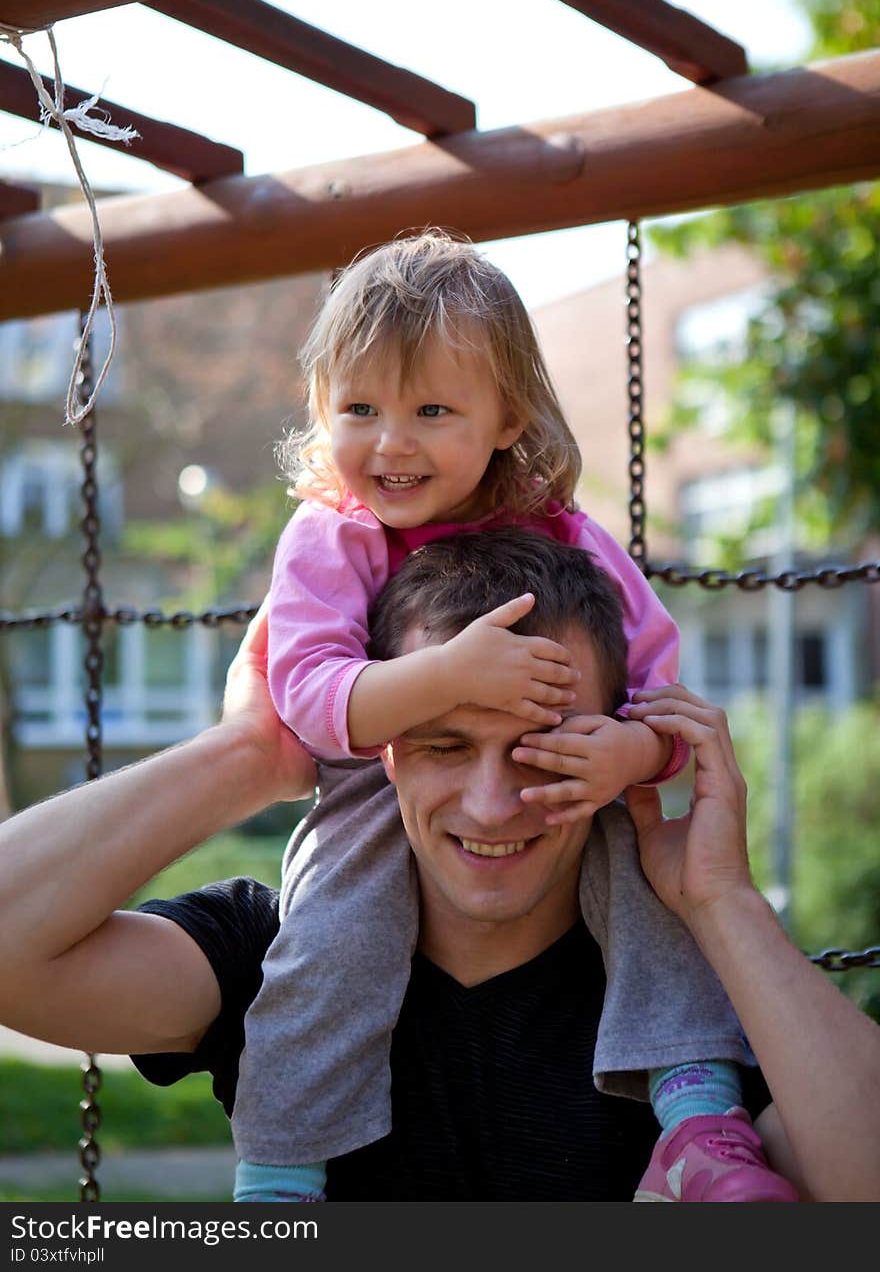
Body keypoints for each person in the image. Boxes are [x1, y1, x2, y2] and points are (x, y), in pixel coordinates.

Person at [1, 540, 878, 1201]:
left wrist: (720, 901)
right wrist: (252, 754)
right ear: (381, 754)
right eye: (444, 744)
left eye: (547, 749)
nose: (492, 804)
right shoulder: (284, 956)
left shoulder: (685, 990)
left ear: (618, 748)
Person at [236, 229, 751, 1201]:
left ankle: (699, 1117)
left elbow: (656, 678)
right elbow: (307, 703)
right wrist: (448, 677)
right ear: (321, 410)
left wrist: (627, 753)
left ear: (508, 415)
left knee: (655, 889)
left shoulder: (562, 534)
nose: (391, 442)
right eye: (360, 407)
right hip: (371, 781)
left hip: (564, 772)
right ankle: (278, 1176)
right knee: (326, 945)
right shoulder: (330, 535)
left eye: (432, 408)